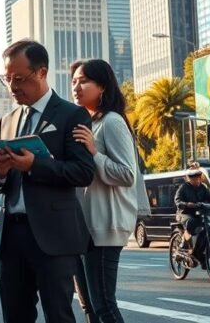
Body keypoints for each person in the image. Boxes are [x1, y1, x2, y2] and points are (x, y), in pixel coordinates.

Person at [0, 40, 95, 323]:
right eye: (6, 79)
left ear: (42, 72)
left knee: (58, 315)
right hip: (10, 237)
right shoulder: (6, 120)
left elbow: (83, 172)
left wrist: (36, 165)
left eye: (18, 79)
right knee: (15, 316)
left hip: (54, 237)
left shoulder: (72, 115)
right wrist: (0, 172)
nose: (12, 87)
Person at [69, 59, 138, 323]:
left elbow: (127, 174)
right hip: (81, 227)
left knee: (104, 306)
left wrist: (94, 153)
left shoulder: (111, 121)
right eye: (74, 81)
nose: (76, 86)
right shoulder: (86, 123)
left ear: (102, 86)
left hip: (104, 227)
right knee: (88, 306)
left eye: (84, 81)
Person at [174, 168, 210, 252]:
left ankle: (202, 248)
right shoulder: (183, 188)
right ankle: (184, 244)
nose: (196, 181)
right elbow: (177, 201)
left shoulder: (203, 188)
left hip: (200, 213)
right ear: (189, 179)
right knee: (190, 223)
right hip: (185, 213)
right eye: (193, 179)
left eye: (198, 179)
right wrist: (186, 204)